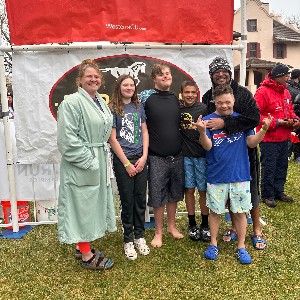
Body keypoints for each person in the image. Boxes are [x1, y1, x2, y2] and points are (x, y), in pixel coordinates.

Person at [194, 84, 272, 264]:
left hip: (240, 175)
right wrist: (201, 132)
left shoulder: (241, 121)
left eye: (227, 102)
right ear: (215, 102)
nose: (224, 106)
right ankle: (213, 243)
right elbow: (207, 147)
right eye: (220, 103)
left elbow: (251, 143)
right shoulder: (207, 120)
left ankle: (241, 247)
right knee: (215, 212)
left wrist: (264, 130)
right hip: (217, 176)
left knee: (240, 212)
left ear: (233, 101)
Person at [202, 56, 267, 251]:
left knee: (250, 193)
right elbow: (207, 123)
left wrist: (225, 123)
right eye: (216, 72)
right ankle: (233, 228)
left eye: (224, 71)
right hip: (220, 157)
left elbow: (254, 118)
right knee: (226, 196)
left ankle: (256, 230)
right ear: (211, 76)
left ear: (230, 74)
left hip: (245, 153)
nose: (220, 74)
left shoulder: (244, 93)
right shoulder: (207, 96)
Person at [57, 59, 116, 270]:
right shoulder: (71, 103)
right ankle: (86, 255)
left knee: (90, 205)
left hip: (99, 156)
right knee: (80, 204)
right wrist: (89, 161)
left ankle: (82, 243)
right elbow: (67, 141)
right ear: (80, 80)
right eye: (89, 76)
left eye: (97, 76)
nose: (94, 79)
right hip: (82, 163)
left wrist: (100, 159)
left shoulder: (99, 101)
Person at [140, 63, 184, 248]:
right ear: (154, 79)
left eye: (168, 74)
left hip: (177, 155)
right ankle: (158, 232)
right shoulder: (145, 98)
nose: (166, 76)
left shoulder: (176, 98)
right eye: (162, 75)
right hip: (156, 157)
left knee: (174, 194)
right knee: (158, 196)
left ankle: (171, 227)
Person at [108, 75, 150, 260]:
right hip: (123, 160)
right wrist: (126, 163)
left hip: (140, 158)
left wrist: (144, 156)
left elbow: (145, 131)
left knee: (141, 199)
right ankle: (128, 240)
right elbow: (112, 138)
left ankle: (139, 236)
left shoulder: (138, 106)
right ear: (119, 87)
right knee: (127, 200)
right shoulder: (113, 108)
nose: (129, 88)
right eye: (125, 85)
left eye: (132, 85)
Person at [254, 63, 300, 208]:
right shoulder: (262, 92)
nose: (288, 78)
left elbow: (289, 111)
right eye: (286, 75)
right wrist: (277, 122)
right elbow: (256, 115)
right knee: (269, 166)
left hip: (284, 137)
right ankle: (267, 195)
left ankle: (278, 191)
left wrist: (296, 120)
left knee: (282, 166)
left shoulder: (285, 91)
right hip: (269, 138)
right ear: (278, 76)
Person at [179, 80, 210, 242]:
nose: (189, 95)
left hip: (202, 157)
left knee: (203, 191)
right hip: (185, 157)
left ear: (196, 93)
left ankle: (205, 225)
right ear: (182, 93)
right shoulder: (178, 109)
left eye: (192, 92)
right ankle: (192, 224)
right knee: (189, 190)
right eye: (186, 92)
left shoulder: (203, 109)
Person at [287, 69, 300, 163]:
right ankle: (289, 155)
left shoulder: (293, 87)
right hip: (293, 114)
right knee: (292, 135)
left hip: (295, 114)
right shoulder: (290, 88)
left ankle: (296, 155)